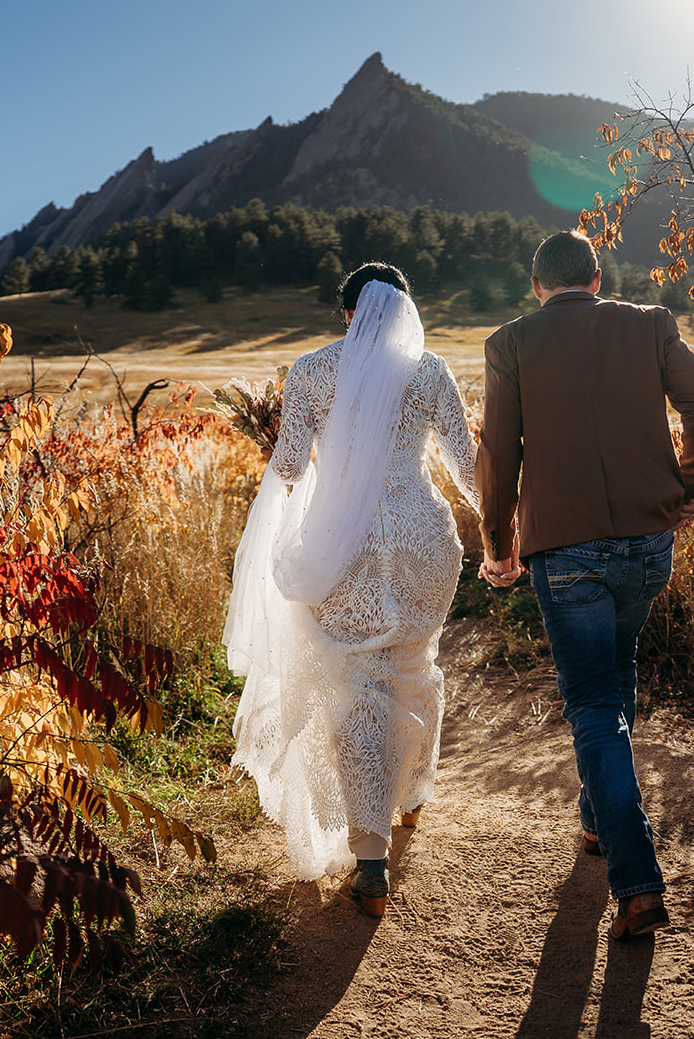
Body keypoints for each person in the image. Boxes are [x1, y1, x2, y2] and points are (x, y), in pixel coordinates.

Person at [475, 230, 694, 938]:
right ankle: (596, 819)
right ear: (597, 273)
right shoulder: (649, 323)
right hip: (649, 546)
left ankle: (637, 879)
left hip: (567, 554)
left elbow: (498, 451)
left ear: (537, 287)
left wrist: (498, 546)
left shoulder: (510, 343)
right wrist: (691, 486)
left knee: (591, 699)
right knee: (617, 671)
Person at [227, 263, 480, 917]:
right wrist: (511, 536)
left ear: (348, 314)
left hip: (347, 548)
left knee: (355, 686)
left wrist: (283, 532)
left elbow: (287, 466)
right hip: (427, 540)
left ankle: (371, 859)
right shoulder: (428, 371)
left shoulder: (313, 369)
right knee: (414, 665)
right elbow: (467, 465)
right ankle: (414, 790)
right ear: (403, 311)